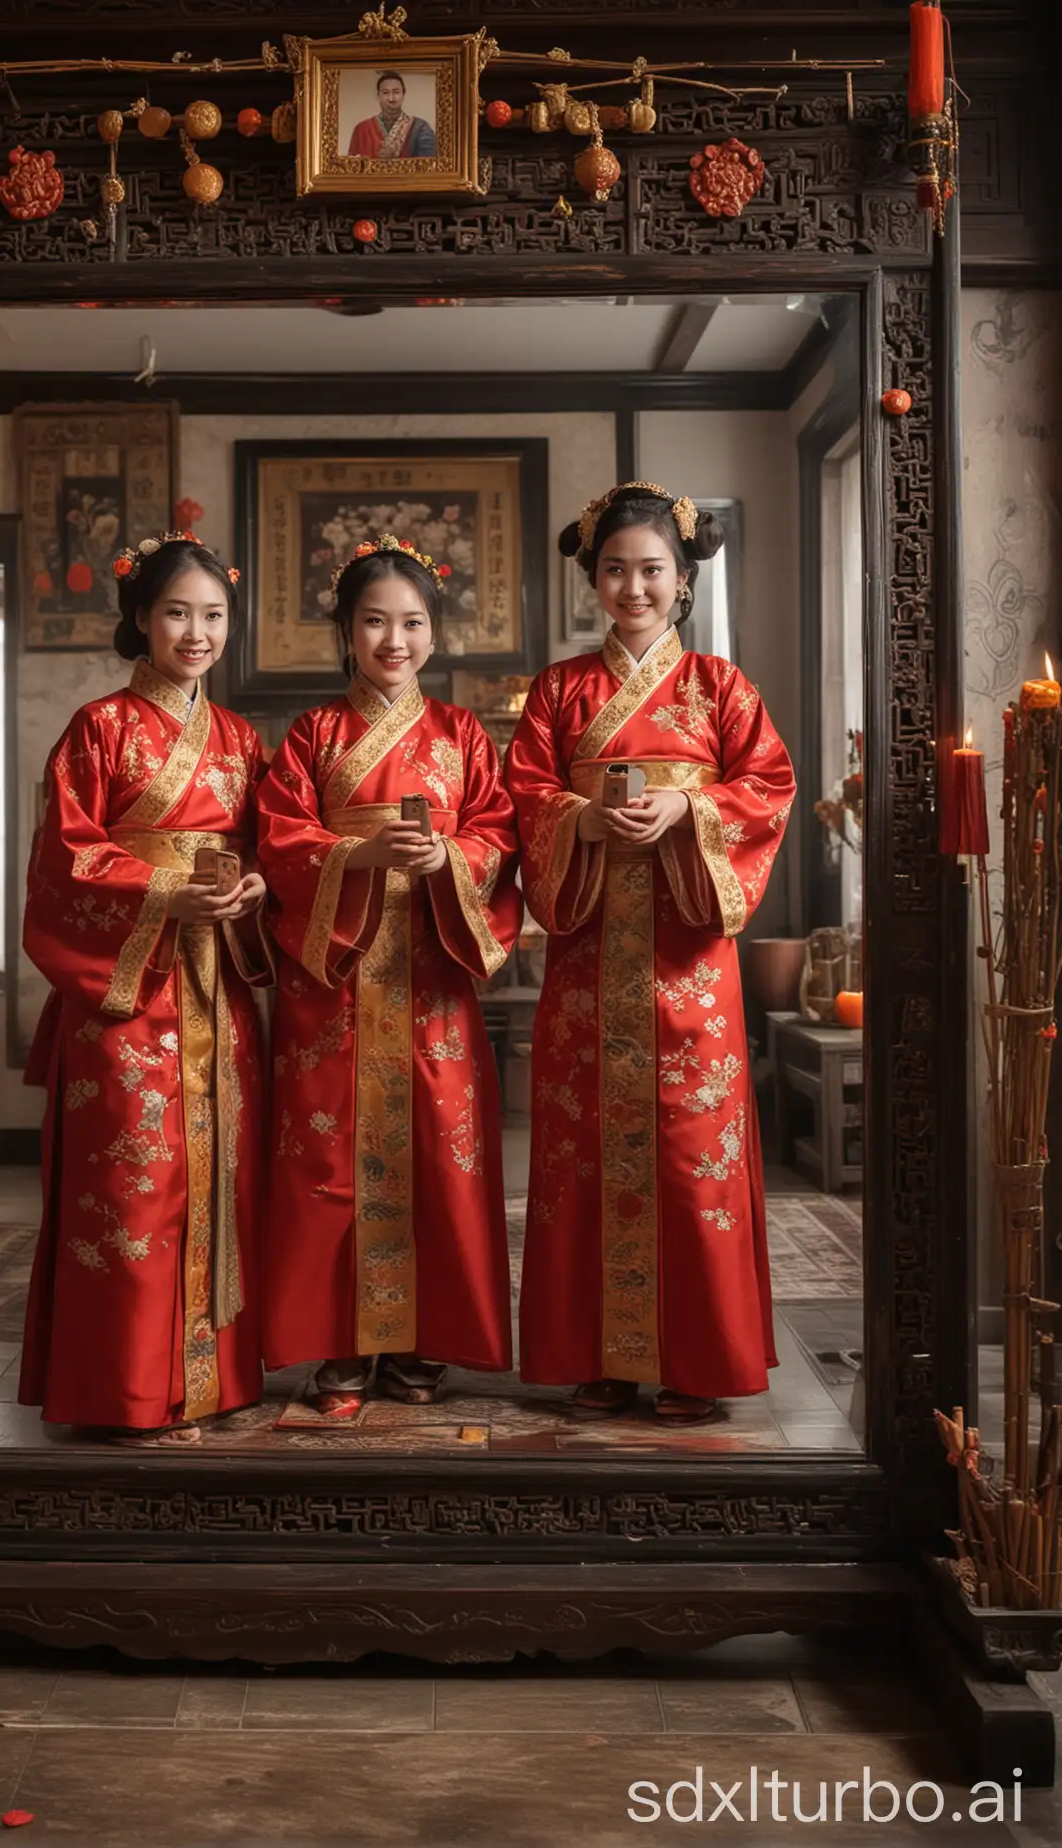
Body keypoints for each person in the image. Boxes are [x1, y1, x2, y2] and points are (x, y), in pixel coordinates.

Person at [504, 483, 796, 1425]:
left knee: (689, 1152)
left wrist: (689, 807)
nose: (634, 586)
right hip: (588, 962)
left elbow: (770, 786)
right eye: (616, 569)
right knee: (583, 1149)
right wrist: (581, 820)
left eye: (652, 569)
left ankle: (694, 1362)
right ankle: (598, 1355)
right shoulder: (557, 690)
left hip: (686, 966)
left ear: (682, 580)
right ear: (593, 579)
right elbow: (524, 801)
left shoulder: (722, 688)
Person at [256, 534, 521, 1416]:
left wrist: (450, 855)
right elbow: (280, 840)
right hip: (333, 987)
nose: (394, 641)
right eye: (374, 622)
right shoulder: (312, 736)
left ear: (436, 634)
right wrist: (360, 853)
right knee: (325, 1166)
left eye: (411, 623)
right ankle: (337, 1346)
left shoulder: (461, 736)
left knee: (438, 1158)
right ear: (345, 631)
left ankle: (421, 1343)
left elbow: (498, 838)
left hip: (430, 982)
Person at [17, 531, 272, 1444]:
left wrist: (252, 888)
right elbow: (68, 860)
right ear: (140, 621)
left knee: (220, 1176)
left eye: (212, 615)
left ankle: (214, 1377)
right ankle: (122, 1386)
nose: (196, 633)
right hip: (127, 994)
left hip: (217, 985)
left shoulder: (242, 738)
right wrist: (168, 889)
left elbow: (266, 850)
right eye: (176, 613)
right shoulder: (99, 728)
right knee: (131, 1185)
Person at [346, 70, 437, 160]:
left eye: (396, 92)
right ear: (378, 96)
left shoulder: (420, 128)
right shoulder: (361, 129)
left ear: (403, 95)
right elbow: (352, 168)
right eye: (385, 93)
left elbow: (429, 167)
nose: (391, 99)